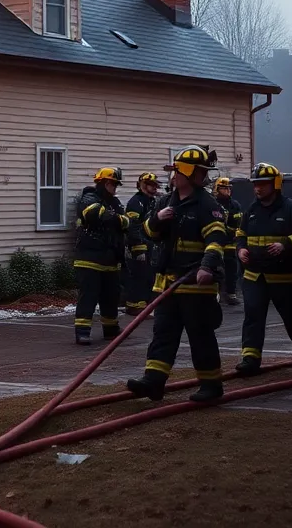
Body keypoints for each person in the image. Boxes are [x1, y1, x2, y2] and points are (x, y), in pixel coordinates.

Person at [125, 146, 227, 403]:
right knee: (163, 334)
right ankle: (154, 382)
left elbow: (216, 239)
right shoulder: (165, 202)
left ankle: (211, 385)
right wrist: (158, 219)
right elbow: (149, 232)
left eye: (178, 171)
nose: (173, 176)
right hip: (168, 282)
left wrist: (207, 267)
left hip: (195, 283)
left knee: (200, 336)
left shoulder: (207, 205)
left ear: (192, 174)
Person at [235, 163, 292, 376]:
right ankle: (250, 360)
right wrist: (241, 249)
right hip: (255, 275)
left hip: (285, 277)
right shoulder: (251, 211)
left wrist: (286, 244)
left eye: (263, 184)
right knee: (253, 317)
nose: (258, 189)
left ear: (275, 184)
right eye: (255, 184)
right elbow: (240, 234)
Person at [73, 167, 128, 345]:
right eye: (114, 184)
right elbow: (95, 214)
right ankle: (82, 332)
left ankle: (111, 329)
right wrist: (116, 218)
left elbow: (127, 221)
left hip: (110, 259)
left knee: (111, 297)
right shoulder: (89, 197)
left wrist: (116, 218)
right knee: (88, 297)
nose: (115, 188)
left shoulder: (115, 202)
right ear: (105, 183)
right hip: (89, 258)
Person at [122, 172, 161, 316]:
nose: (155, 188)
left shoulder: (151, 201)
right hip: (138, 246)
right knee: (138, 276)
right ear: (143, 185)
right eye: (151, 185)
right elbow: (133, 226)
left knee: (148, 276)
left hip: (150, 244)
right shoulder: (136, 202)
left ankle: (144, 304)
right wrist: (139, 249)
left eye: (155, 185)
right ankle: (133, 306)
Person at [213, 176, 244, 306]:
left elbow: (238, 224)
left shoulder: (235, 205)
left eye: (228, 188)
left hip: (230, 243)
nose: (227, 191)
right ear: (217, 189)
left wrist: (230, 231)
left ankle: (231, 294)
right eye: (224, 188)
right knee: (214, 269)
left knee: (231, 270)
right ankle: (215, 294)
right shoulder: (212, 203)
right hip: (215, 243)